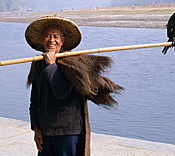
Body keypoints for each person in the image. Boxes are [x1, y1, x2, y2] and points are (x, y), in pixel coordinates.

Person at [25, 15, 124, 156]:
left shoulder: (72, 63)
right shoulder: (37, 64)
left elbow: (61, 92)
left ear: (62, 41)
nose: (51, 40)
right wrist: (36, 128)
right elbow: (34, 100)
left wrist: (52, 65)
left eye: (55, 37)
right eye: (47, 36)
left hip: (67, 130)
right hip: (45, 130)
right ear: (42, 39)